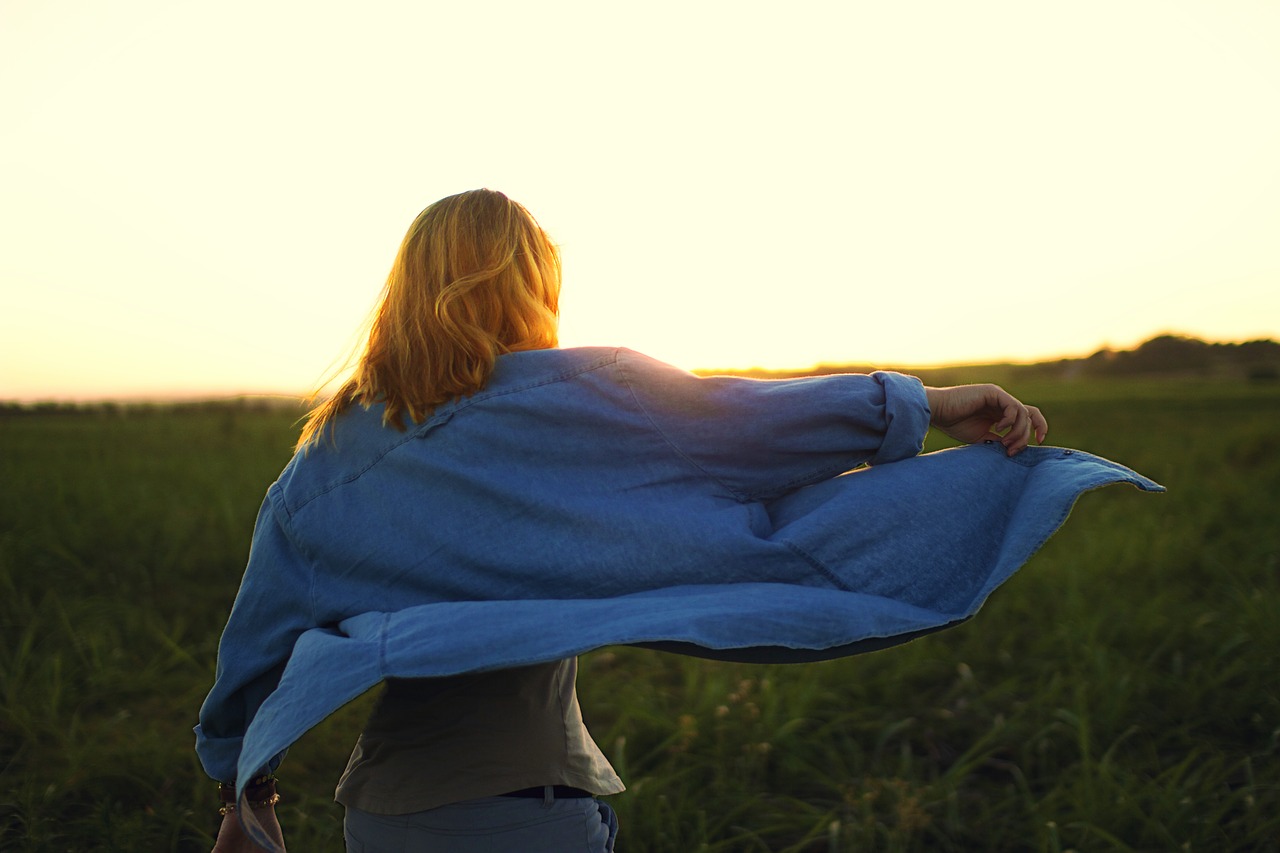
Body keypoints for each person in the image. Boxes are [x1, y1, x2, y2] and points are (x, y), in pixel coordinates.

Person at [196, 189, 1162, 853]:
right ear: (533, 284)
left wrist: (249, 798)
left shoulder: (320, 467)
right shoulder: (585, 397)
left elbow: (254, 656)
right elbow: (747, 420)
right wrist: (928, 403)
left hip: (384, 817)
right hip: (528, 814)